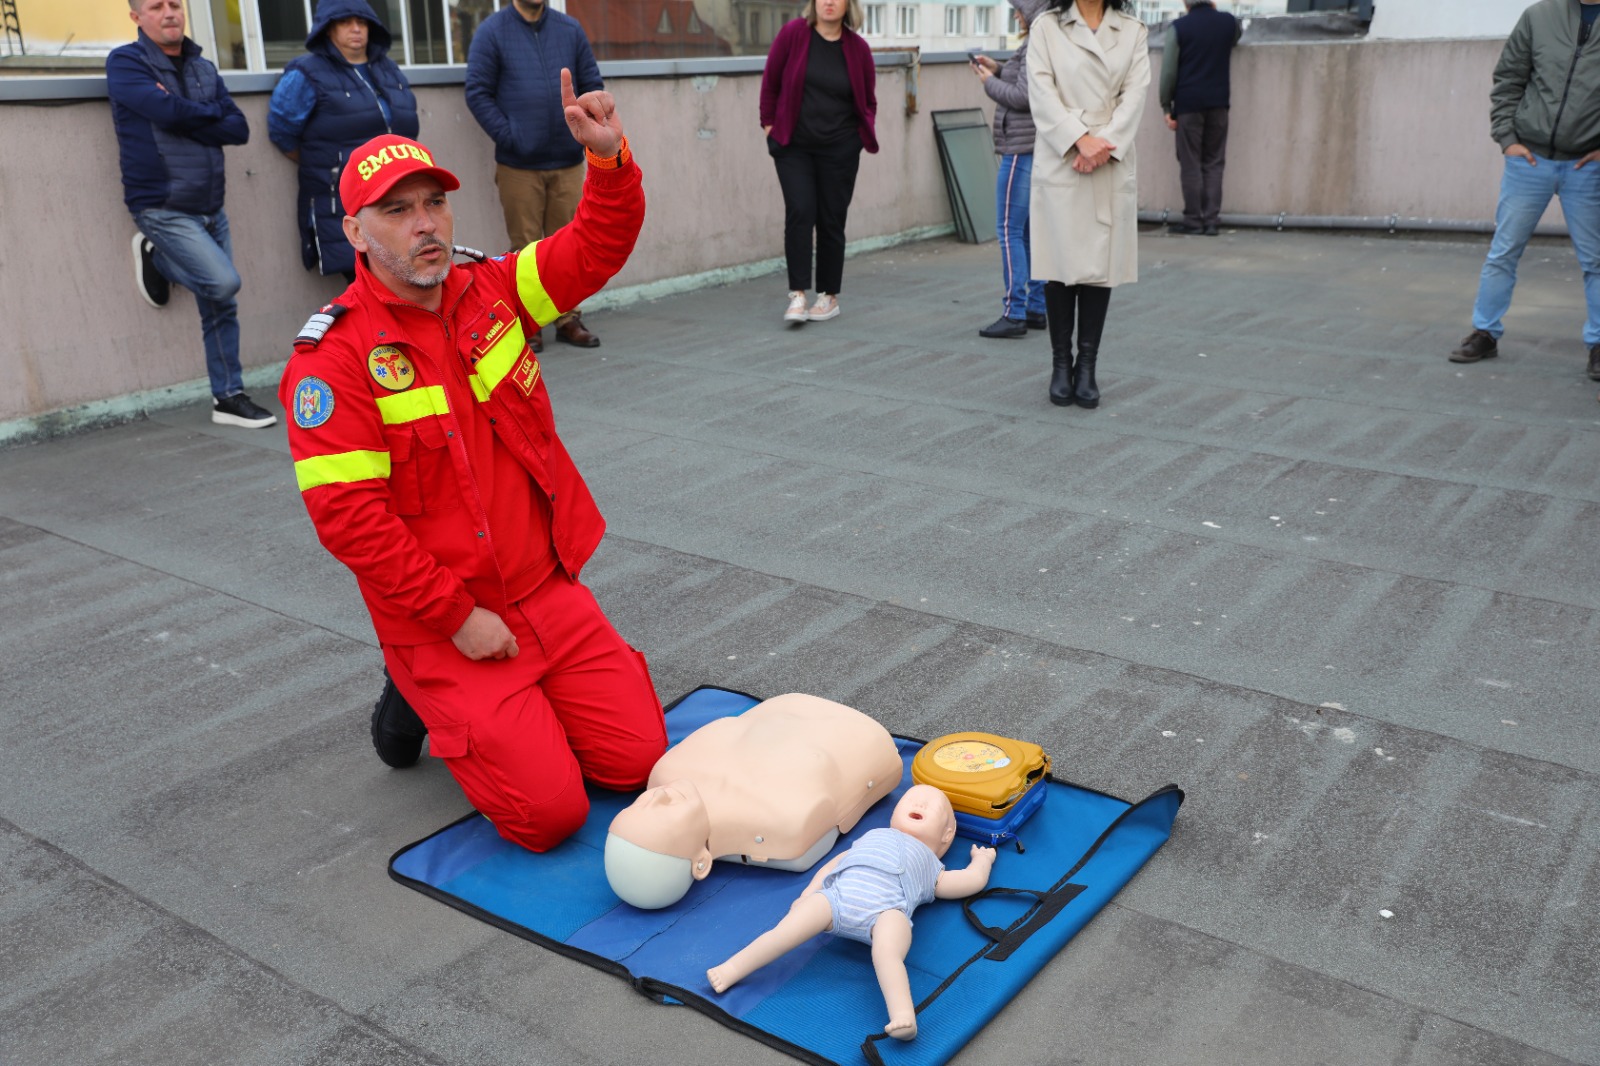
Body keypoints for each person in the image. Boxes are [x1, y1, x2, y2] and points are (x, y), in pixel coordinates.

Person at [278, 77, 664, 854]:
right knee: (549, 817)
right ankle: (414, 683)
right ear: (355, 232)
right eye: (397, 210)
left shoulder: (494, 289)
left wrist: (608, 160)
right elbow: (350, 521)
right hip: (449, 617)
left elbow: (595, 247)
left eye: (434, 203)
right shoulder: (332, 362)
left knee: (639, 765)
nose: (425, 224)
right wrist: (455, 619)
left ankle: (473, 700)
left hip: (544, 588)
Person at [706, 784, 997, 1043]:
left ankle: (903, 1015)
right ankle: (732, 969)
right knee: (785, 932)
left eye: (931, 806)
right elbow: (833, 866)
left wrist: (981, 861)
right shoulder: (873, 836)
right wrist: (807, 895)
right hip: (836, 899)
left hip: (886, 913)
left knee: (888, 955)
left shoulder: (932, 865)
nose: (919, 803)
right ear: (893, 814)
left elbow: (969, 881)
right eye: (910, 798)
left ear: (947, 835)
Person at [108, 0, 275, 429]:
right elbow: (163, 111)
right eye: (156, 6)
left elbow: (238, 129)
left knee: (220, 307)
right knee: (224, 283)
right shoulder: (126, 62)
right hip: (162, 204)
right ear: (137, 17)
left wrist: (184, 113)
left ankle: (228, 397)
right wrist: (205, 113)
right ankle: (159, 258)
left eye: (175, 4)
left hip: (210, 204)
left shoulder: (203, 67)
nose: (170, 13)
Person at [603, 693, 905, 909]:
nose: (658, 796)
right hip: (862, 734)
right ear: (701, 863)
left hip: (785, 705)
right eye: (660, 815)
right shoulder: (781, 819)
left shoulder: (665, 774)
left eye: (639, 805)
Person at [1451, 0, 1600, 381]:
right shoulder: (1539, 16)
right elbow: (1509, 78)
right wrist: (1507, 138)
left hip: (1587, 165)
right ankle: (1485, 333)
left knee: (1596, 261)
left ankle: (1599, 345)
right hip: (1529, 159)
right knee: (1504, 252)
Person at [1028, 0, 1150, 409]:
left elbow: (1135, 96)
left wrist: (1102, 145)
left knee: (1101, 265)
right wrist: (1078, 139)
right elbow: (1041, 92)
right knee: (1059, 262)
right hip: (1062, 154)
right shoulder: (1046, 26)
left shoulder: (1132, 30)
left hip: (1110, 157)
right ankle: (1061, 364)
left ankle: (1087, 366)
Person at [466, 0, 604, 352]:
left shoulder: (570, 30)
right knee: (525, 249)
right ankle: (529, 323)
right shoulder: (492, 32)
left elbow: (591, 85)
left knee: (568, 247)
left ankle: (568, 318)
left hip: (567, 161)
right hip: (518, 166)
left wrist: (582, 131)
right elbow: (477, 92)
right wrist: (511, 136)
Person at [267, 0, 420, 283]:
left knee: (409, 278)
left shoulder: (388, 68)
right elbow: (282, 130)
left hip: (398, 192)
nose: (356, 29)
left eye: (362, 22)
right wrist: (330, 164)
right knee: (372, 283)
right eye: (345, 22)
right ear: (328, 29)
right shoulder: (307, 72)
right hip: (345, 199)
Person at [760, 0, 879, 325]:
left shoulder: (858, 49)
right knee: (800, 211)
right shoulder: (793, 35)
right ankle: (798, 295)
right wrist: (770, 128)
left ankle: (828, 296)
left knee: (831, 219)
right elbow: (770, 84)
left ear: (848, 5)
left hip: (840, 150)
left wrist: (856, 139)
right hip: (794, 147)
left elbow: (868, 101)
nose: (829, 2)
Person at [972, 0, 1050, 339]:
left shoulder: (1036, 41)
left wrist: (988, 81)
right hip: (1033, 145)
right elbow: (1025, 82)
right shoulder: (1043, 37)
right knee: (1029, 231)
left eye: (1018, 8)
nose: (1016, 14)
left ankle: (1014, 311)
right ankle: (1036, 306)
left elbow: (1024, 97)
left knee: (1009, 229)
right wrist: (1000, 68)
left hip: (1021, 146)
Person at [1159, 0, 1241, 237]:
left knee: (1190, 163)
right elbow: (1235, 38)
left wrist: (1166, 105)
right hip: (1219, 103)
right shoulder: (1228, 23)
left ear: (1186, 3)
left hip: (1188, 105)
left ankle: (1194, 220)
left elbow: (1168, 72)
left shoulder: (1179, 28)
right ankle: (1212, 221)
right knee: (1214, 162)